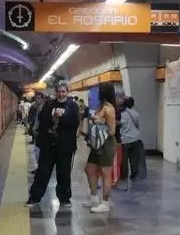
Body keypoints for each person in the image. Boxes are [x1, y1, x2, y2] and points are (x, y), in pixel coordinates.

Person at [26, 83, 80, 207]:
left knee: (64, 174)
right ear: (56, 92)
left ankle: (64, 198)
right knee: (42, 172)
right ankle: (35, 197)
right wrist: (51, 119)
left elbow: (75, 122)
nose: (61, 94)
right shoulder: (49, 104)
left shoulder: (72, 106)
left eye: (63, 91)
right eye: (59, 91)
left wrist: (63, 117)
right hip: (48, 146)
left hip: (65, 146)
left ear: (67, 92)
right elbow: (42, 119)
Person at [83, 83, 118, 213]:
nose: (95, 93)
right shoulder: (100, 106)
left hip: (106, 143)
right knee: (89, 169)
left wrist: (99, 122)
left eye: (98, 91)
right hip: (96, 143)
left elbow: (112, 130)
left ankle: (105, 202)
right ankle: (93, 197)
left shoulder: (109, 108)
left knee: (105, 173)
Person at [118, 96, 145, 183]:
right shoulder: (135, 113)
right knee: (134, 160)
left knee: (124, 161)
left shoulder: (120, 115)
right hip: (136, 139)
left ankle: (124, 177)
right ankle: (134, 176)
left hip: (124, 140)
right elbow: (137, 126)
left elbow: (118, 127)